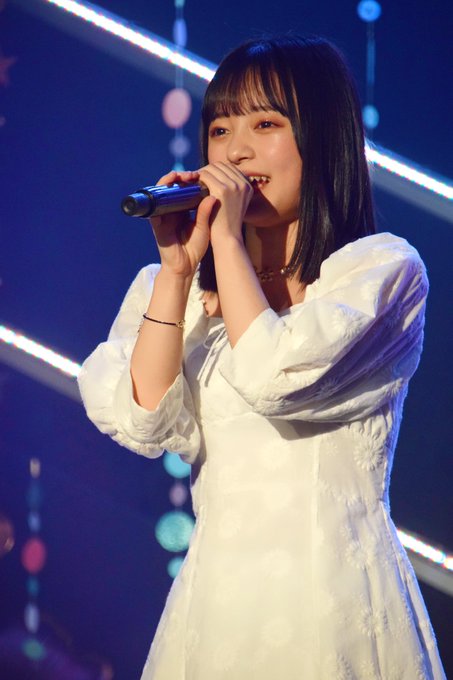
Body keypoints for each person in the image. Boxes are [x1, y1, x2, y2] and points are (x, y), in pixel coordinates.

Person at [78, 35, 446, 680]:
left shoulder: (379, 272)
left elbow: (275, 377)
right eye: (220, 129)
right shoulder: (172, 288)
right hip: (217, 607)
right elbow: (141, 422)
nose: (236, 150)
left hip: (333, 597)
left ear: (322, 138)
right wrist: (177, 272)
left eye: (265, 124)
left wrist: (226, 242)